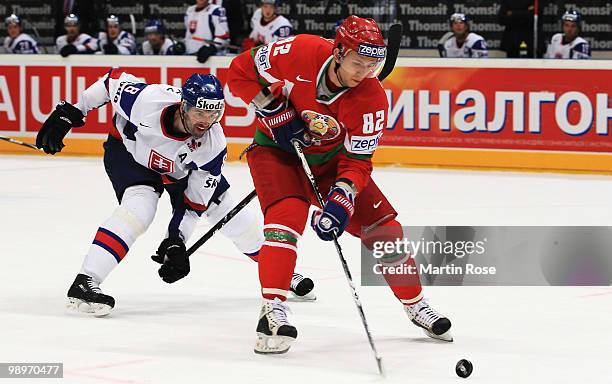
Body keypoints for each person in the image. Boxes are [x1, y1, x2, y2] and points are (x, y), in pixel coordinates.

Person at [227, 15, 453, 354]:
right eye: (357, 63)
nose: (363, 72)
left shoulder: (372, 99)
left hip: (331, 164)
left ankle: (416, 304)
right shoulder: (298, 50)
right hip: (278, 153)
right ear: (338, 52)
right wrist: (270, 106)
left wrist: (342, 199)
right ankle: (272, 310)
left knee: (386, 230)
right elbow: (239, 71)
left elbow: (358, 161)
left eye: (372, 65)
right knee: (286, 219)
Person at [35, 71, 316, 317]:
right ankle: (86, 281)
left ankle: (280, 271)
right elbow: (109, 83)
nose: (206, 121)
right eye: (200, 113)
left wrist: (175, 242)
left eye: (214, 113)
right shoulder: (149, 101)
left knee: (230, 213)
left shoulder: (212, 145)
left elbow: (194, 204)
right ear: (184, 106)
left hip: (180, 170)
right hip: (130, 155)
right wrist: (70, 112)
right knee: (139, 210)